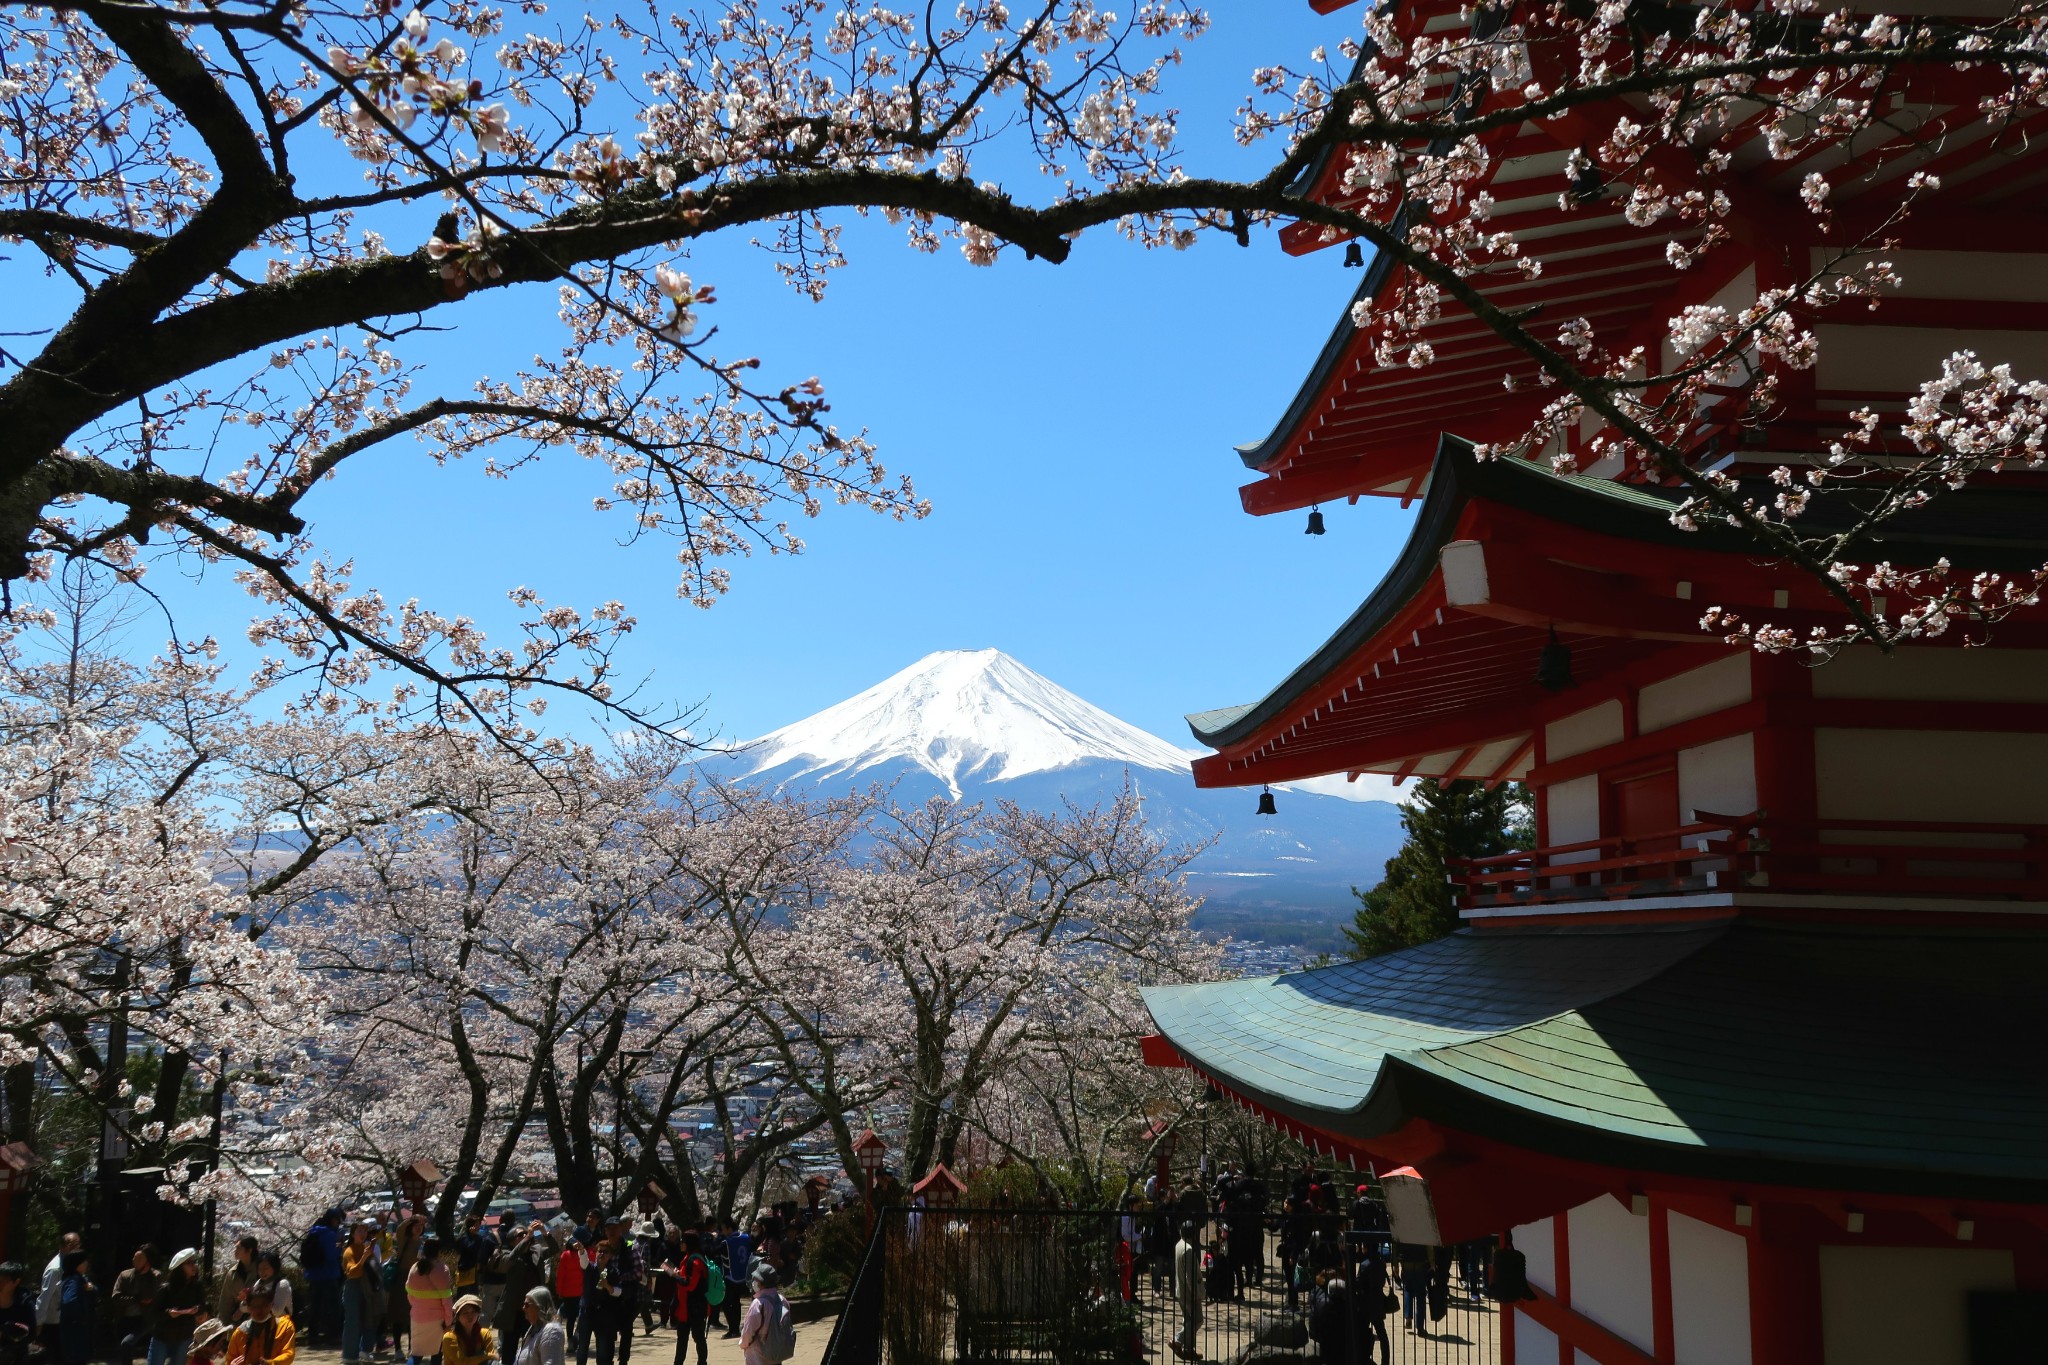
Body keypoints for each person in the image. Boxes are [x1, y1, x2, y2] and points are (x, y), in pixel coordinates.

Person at [493, 1226, 551, 1365]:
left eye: (526, 1233)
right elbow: (506, 1264)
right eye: (520, 1235)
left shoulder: (536, 1251)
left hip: (532, 1312)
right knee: (509, 1351)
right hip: (513, 1312)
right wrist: (524, 1241)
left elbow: (554, 1249)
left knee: (532, 1349)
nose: (526, 1235)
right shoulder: (506, 1254)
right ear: (512, 1241)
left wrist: (545, 1232)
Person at [150, 1249, 208, 1365]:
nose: (194, 1266)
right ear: (179, 1267)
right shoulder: (165, 1289)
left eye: (194, 1262)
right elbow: (152, 1315)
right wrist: (168, 1314)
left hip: (184, 1337)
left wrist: (198, 1310)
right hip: (162, 1337)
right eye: (189, 1263)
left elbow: (203, 1306)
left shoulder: (197, 1286)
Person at [340, 1220, 384, 1365]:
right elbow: (352, 1272)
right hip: (353, 1287)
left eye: (364, 1231)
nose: (362, 1234)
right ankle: (349, 1355)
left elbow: (374, 1269)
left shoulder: (366, 1248)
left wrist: (369, 1256)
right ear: (352, 1234)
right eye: (359, 1231)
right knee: (353, 1322)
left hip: (367, 1288)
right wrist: (364, 1257)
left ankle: (366, 1350)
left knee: (369, 1318)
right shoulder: (349, 1251)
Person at [112, 1244, 163, 1365]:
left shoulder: (156, 1276)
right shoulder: (124, 1275)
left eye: (139, 1259)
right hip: (124, 1319)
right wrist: (135, 1299)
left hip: (144, 1320)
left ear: (147, 1262)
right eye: (134, 1257)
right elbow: (116, 1297)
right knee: (124, 1349)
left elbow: (154, 1298)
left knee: (126, 1343)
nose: (134, 1260)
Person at [582, 1245, 632, 1365]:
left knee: (604, 1351)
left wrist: (608, 1286)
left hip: (605, 1315)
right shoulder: (590, 1268)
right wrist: (581, 1251)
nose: (602, 1254)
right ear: (595, 1253)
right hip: (588, 1312)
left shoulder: (613, 1271)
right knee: (582, 1347)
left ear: (609, 1256)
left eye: (605, 1252)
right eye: (600, 1251)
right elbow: (583, 1261)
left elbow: (619, 1292)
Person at [406, 1237, 454, 1365]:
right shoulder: (442, 1269)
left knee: (416, 1354)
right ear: (438, 1251)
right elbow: (447, 1300)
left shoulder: (414, 1268)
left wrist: (417, 1307)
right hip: (437, 1320)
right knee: (437, 1353)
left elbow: (410, 1294)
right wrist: (449, 1321)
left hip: (417, 1316)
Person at [663, 1233, 708, 1365]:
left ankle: (702, 1362)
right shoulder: (689, 1258)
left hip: (694, 1307)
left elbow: (690, 1284)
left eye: (683, 1241)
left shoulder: (695, 1261)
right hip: (686, 1306)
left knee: (698, 1337)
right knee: (682, 1337)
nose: (681, 1243)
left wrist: (675, 1276)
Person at [225, 1285, 295, 1365]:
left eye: (264, 1305)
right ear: (248, 1308)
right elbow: (230, 1359)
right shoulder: (240, 1332)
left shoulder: (284, 1326)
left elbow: (289, 1354)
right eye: (254, 1306)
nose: (259, 1310)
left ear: (271, 1305)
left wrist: (271, 1363)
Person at [735, 1265, 791, 1365]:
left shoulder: (759, 1303)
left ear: (761, 1282)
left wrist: (743, 1344)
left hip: (758, 1354)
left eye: (756, 1279)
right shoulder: (782, 1300)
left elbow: (749, 1331)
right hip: (776, 1351)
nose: (754, 1282)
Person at [302, 1211, 343, 1344]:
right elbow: (331, 1256)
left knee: (315, 1307)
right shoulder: (329, 1234)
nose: (338, 1223)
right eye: (338, 1220)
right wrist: (339, 1249)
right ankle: (333, 1335)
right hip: (328, 1274)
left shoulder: (313, 1232)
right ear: (332, 1220)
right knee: (333, 1306)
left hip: (313, 1275)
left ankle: (312, 1336)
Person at [36, 1233, 81, 1340]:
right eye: (71, 1244)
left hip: (69, 1321)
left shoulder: (73, 1265)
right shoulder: (55, 1269)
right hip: (55, 1324)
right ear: (61, 1247)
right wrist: (38, 1323)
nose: (75, 1247)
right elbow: (44, 1297)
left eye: (77, 1244)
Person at [1171, 1222, 1202, 1364]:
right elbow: (1190, 1276)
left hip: (1180, 1289)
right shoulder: (1188, 1249)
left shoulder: (1179, 1244)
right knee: (1196, 1320)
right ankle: (1178, 1340)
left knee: (1190, 1319)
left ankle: (1189, 1349)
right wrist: (1196, 1294)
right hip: (1188, 1292)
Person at [57, 1251, 95, 1365]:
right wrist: (82, 1318)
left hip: (75, 1331)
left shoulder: (79, 1279)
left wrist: (91, 1289)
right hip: (75, 1333)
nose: (87, 1263)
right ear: (78, 1264)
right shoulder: (73, 1280)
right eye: (84, 1261)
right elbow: (69, 1301)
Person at [715, 1221, 750, 1340]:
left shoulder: (726, 1242)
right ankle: (735, 1328)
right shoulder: (746, 1237)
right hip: (744, 1274)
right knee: (736, 1302)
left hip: (731, 1276)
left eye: (724, 1229)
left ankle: (733, 1328)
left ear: (729, 1229)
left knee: (726, 1303)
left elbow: (714, 1251)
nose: (723, 1232)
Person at [511, 1290, 564, 1365]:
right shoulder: (533, 1328)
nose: (523, 1308)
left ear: (538, 1306)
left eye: (526, 1305)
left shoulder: (551, 1331)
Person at [216, 1237, 260, 1325]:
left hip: (260, 1318)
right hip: (238, 1322)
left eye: (239, 1248)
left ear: (249, 1250)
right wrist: (223, 1325)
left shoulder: (261, 1270)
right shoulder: (232, 1273)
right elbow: (225, 1302)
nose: (235, 1251)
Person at [551, 1231, 583, 1350]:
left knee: (571, 1318)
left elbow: (561, 1275)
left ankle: (570, 1341)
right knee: (581, 1316)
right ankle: (577, 1336)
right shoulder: (583, 1254)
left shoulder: (565, 1255)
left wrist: (559, 1291)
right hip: (581, 1292)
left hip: (568, 1293)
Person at [0, 1261, 37, 1365]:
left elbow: (32, 1334)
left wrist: (13, 1334)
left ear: (16, 1282)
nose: (0, 1283)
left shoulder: (25, 1304)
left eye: (4, 1280)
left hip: (16, 1357)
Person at [440, 1297, 493, 1365]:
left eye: (473, 1312)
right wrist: (485, 1357)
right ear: (458, 1317)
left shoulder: (485, 1333)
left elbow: (492, 1357)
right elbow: (461, 1362)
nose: (470, 1316)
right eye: (465, 1313)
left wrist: (488, 1357)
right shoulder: (449, 1337)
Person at [252, 1255, 295, 1324]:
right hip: (262, 1324)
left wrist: (263, 1298)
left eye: (265, 1268)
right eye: (259, 1269)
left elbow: (277, 1312)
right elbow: (246, 1308)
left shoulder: (282, 1284)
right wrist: (246, 1299)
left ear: (274, 1268)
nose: (262, 1272)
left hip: (280, 1325)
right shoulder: (259, 1282)